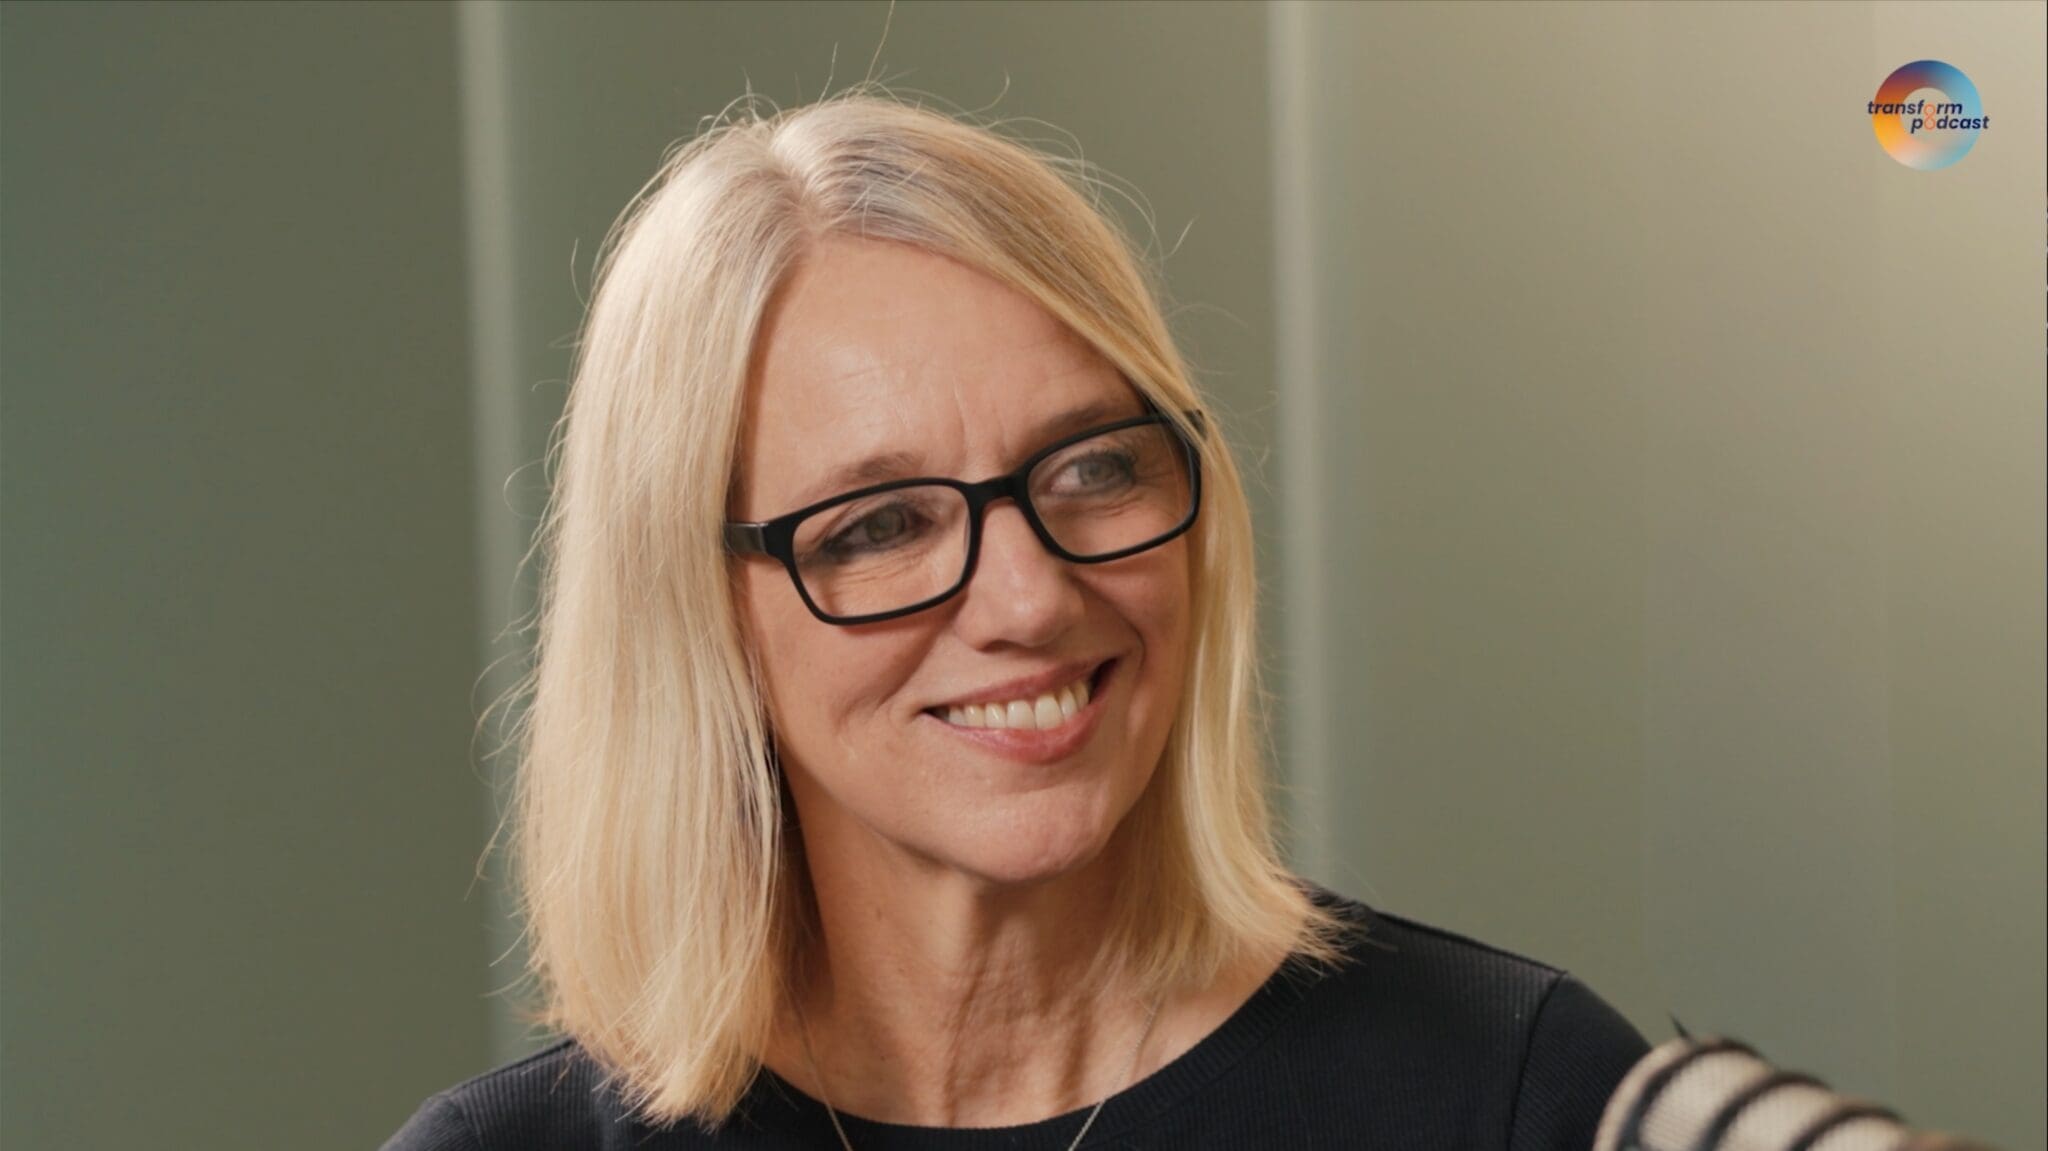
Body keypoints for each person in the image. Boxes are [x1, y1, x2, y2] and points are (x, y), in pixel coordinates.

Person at [384, 89, 1647, 1151]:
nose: (1030, 598)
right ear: (698, 611)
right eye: (880, 524)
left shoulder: (1519, 1096)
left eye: (1093, 467)